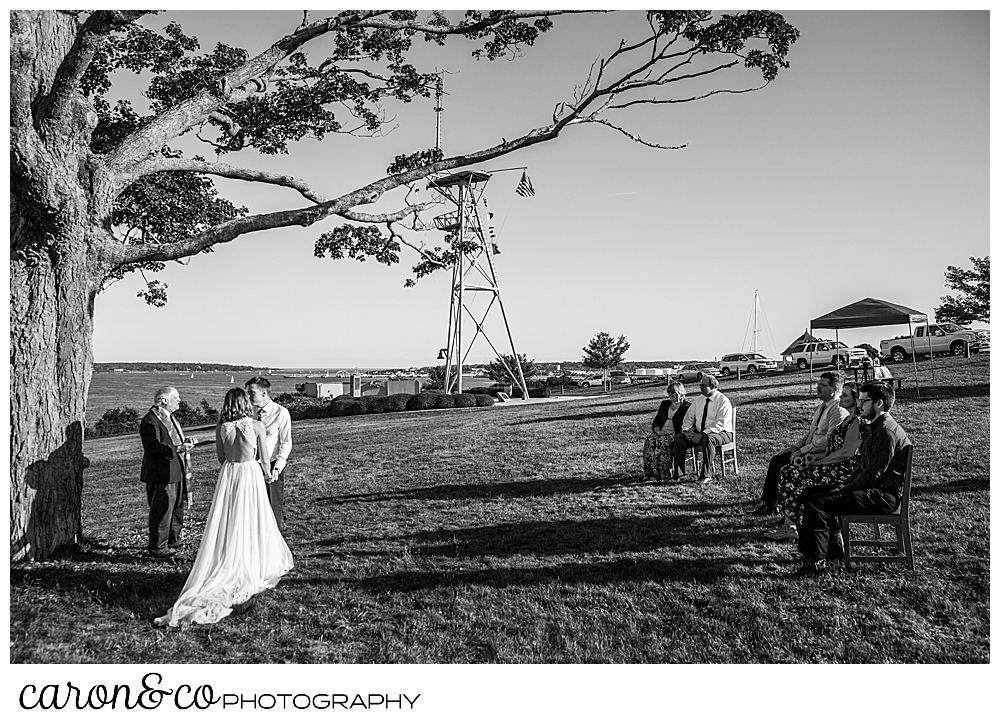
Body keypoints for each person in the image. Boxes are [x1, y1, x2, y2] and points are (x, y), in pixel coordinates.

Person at [155, 388, 294, 627]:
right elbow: (263, 458)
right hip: (250, 474)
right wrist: (269, 474)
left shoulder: (222, 428)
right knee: (253, 518)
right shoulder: (257, 426)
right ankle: (253, 560)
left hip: (229, 474)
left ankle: (227, 558)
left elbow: (221, 457)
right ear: (244, 403)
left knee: (228, 519)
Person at [789, 381, 912, 578]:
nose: (860, 405)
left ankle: (814, 562)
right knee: (809, 493)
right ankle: (834, 550)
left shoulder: (886, 432)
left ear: (879, 403)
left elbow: (873, 475)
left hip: (881, 496)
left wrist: (845, 488)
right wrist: (844, 484)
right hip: (871, 489)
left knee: (816, 503)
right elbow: (861, 467)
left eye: (864, 401)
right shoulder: (876, 427)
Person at [764, 382, 867, 542]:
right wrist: (812, 458)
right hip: (833, 465)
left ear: (857, 400)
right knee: (787, 470)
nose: (841, 397)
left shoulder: (858, 422)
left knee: (794, 475)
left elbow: (847, 452)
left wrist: (821, 463)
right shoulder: (848, 419)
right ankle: (790, 524)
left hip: (844, 471)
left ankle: (792, 527)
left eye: (845, 395)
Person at [751, 370, 851, 516]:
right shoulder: (823, 406)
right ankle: (771, 503)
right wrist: (796, 446)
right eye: (818, 384)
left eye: (823, 385)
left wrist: (804, 451)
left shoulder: (838, 410)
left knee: (784, 467)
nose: (818, 388)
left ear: (835, 389)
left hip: (819, 454)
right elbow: (811, 432)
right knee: (777, 460)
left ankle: (780, 508)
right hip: (808, 450)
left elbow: (829, 440)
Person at [139, 386, 195, 558]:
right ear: (164, 400)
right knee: (162, 511)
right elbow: (152, 447)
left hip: (176, 472)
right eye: (176, 397)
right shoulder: (150, 421)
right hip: (161, 474)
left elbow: (172, 440)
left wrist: (186, 441)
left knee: (177, 509)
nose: (179, 400)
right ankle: (158, 547)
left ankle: (173, 542)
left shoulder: (171, 419)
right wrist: (178, 448)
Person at [246, 376, 292, 532]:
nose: (248, 397)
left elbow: (286, 443)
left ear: (264, 393)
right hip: (250, 465)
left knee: (273, 505)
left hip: (272, 465)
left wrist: (278, 467)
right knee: (251, 505)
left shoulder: (281, 413)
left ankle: (274, 538)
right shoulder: (247, 412)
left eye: (251, 393)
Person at [673, 375, 733, 483]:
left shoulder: (722, 401)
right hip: (700, 433)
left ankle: (706, 475)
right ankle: (679, 474)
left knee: (708, 439)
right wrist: (687, 431)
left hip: (722, 433)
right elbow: (688, 418)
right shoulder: (698, 400)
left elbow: (720, 424)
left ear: (713, 386)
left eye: (704, 386)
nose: (701, 388)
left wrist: (703, 434)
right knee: (679, 439)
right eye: (700, 385)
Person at [641, 381, 691, 482]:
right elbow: (656, 421)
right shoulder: (665, 404)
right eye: (668, 392)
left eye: (672, 392)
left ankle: (662, 473)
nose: (670, 394)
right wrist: (657, 430)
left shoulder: (687, 407)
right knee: (649, 441)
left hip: (675, 434)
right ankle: (649, 472)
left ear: (680, 392)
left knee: (663, 442)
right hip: (661, 432)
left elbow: (688, 424)